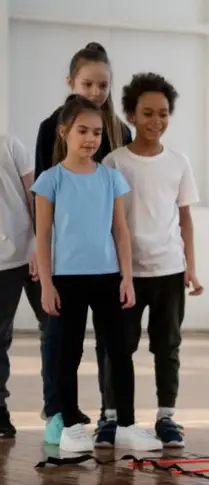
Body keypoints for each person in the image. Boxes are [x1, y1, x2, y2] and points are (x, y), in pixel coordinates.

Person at [32, 94, 162, 453]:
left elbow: (120, 231)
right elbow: (42, 236)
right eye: (82, 131)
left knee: (119, 352)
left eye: (97, 133)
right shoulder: (50, 180)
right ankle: (71, 425)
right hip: (66, 281)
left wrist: (126, 278)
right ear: (64, 132)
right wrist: (46, 284)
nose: (91, 139)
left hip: (107, 278)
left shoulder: (110, 178)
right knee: (67, 354)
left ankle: (126, 424)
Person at [33, 42, 133, 445]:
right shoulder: (50, 128)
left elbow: (119, 207)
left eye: (103, 85)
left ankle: (113, 418)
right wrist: (40, 260)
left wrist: (125, 268)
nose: (95, 92)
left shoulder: (118, 132)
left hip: (105, 262)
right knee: (60, 342)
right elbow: (42, 203)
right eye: (88, 83)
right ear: (71, 82)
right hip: (66, 263)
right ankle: (59, 412)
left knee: (112, 345)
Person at [101, 72, 203, 449]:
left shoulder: (179, 162)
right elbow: (108, 221)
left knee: (168, 346)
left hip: (169, 271)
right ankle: (112, 419)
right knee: (118, 346)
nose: (156, 121)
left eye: (163, 113)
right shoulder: (114, 162)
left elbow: (186, 217)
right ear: (130, 115)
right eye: (147, 113)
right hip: (125, 273)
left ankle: (166, 417)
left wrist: (191, 267)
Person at [0, 134, 36, 438]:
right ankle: (0, 410)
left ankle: (58, 410)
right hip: (1, 264)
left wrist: (39, 243)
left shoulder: (10, 145)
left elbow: (32, 195)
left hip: (31, 255)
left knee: (55, 328)